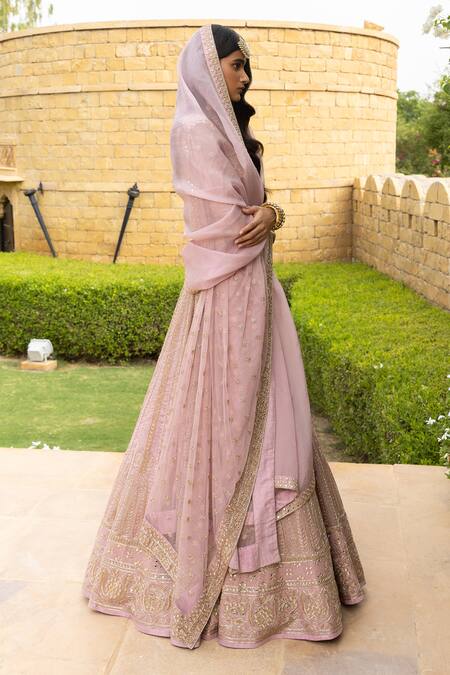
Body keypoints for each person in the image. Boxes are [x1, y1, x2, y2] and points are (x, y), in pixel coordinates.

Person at [82, 23, 366, 650]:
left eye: (245, 66)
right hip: (224, 302)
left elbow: (258, 215)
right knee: (221, 426)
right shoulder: (193, 131)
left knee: (273, 426)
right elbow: (224, 232)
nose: (245, 76)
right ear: (209, 69)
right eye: (236, 65)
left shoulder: (229, 130)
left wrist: (272, 213)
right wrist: (265, 217)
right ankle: (209, 577)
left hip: (255, 296)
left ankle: (283, 581)